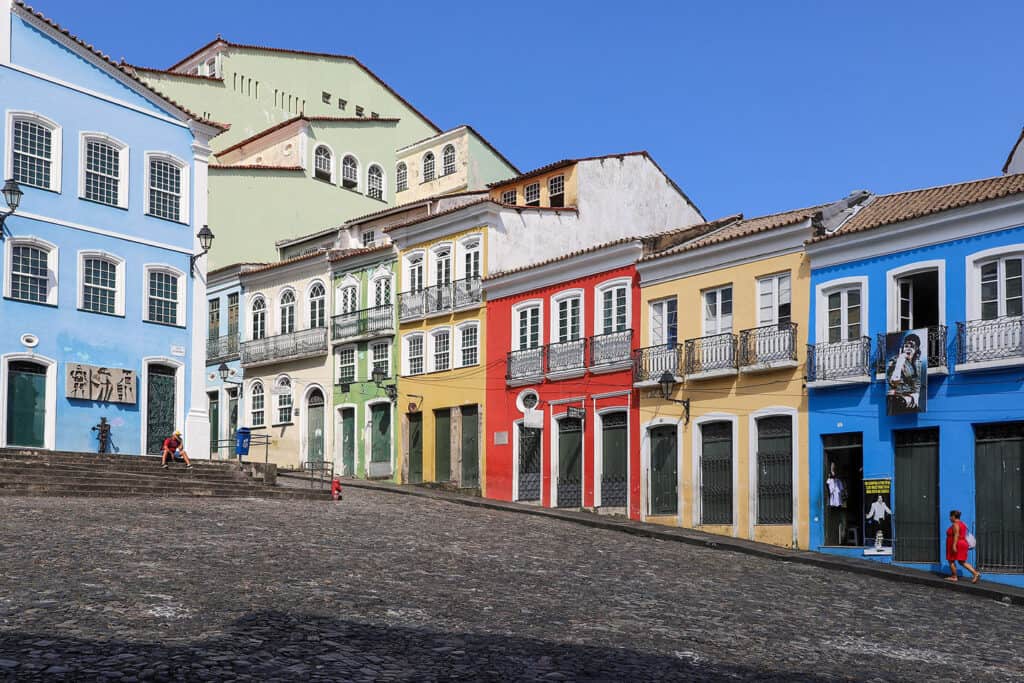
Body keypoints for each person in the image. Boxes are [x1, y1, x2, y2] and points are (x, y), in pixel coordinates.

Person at [886, 333, 923, 412]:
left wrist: (915, 396)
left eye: (912, 347)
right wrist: (900, 361)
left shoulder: (918, 363)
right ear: (902, 348)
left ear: (916, 349)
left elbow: (917, 385)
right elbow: (893, 382)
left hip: (910, 400)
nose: (908, 349)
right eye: (906, 346)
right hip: (897, 399)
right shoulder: (895, 360)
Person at [945, 509, 981, 583]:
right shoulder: (963, 523)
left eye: (950, 516)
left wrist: (954, 545)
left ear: (954, 517)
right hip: (963, 543)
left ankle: (954, 576)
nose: (949, 518)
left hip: (957, 544)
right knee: (962, 562)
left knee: (951, 560)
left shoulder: (955, 524)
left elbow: (956, 535)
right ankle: (975, 573)